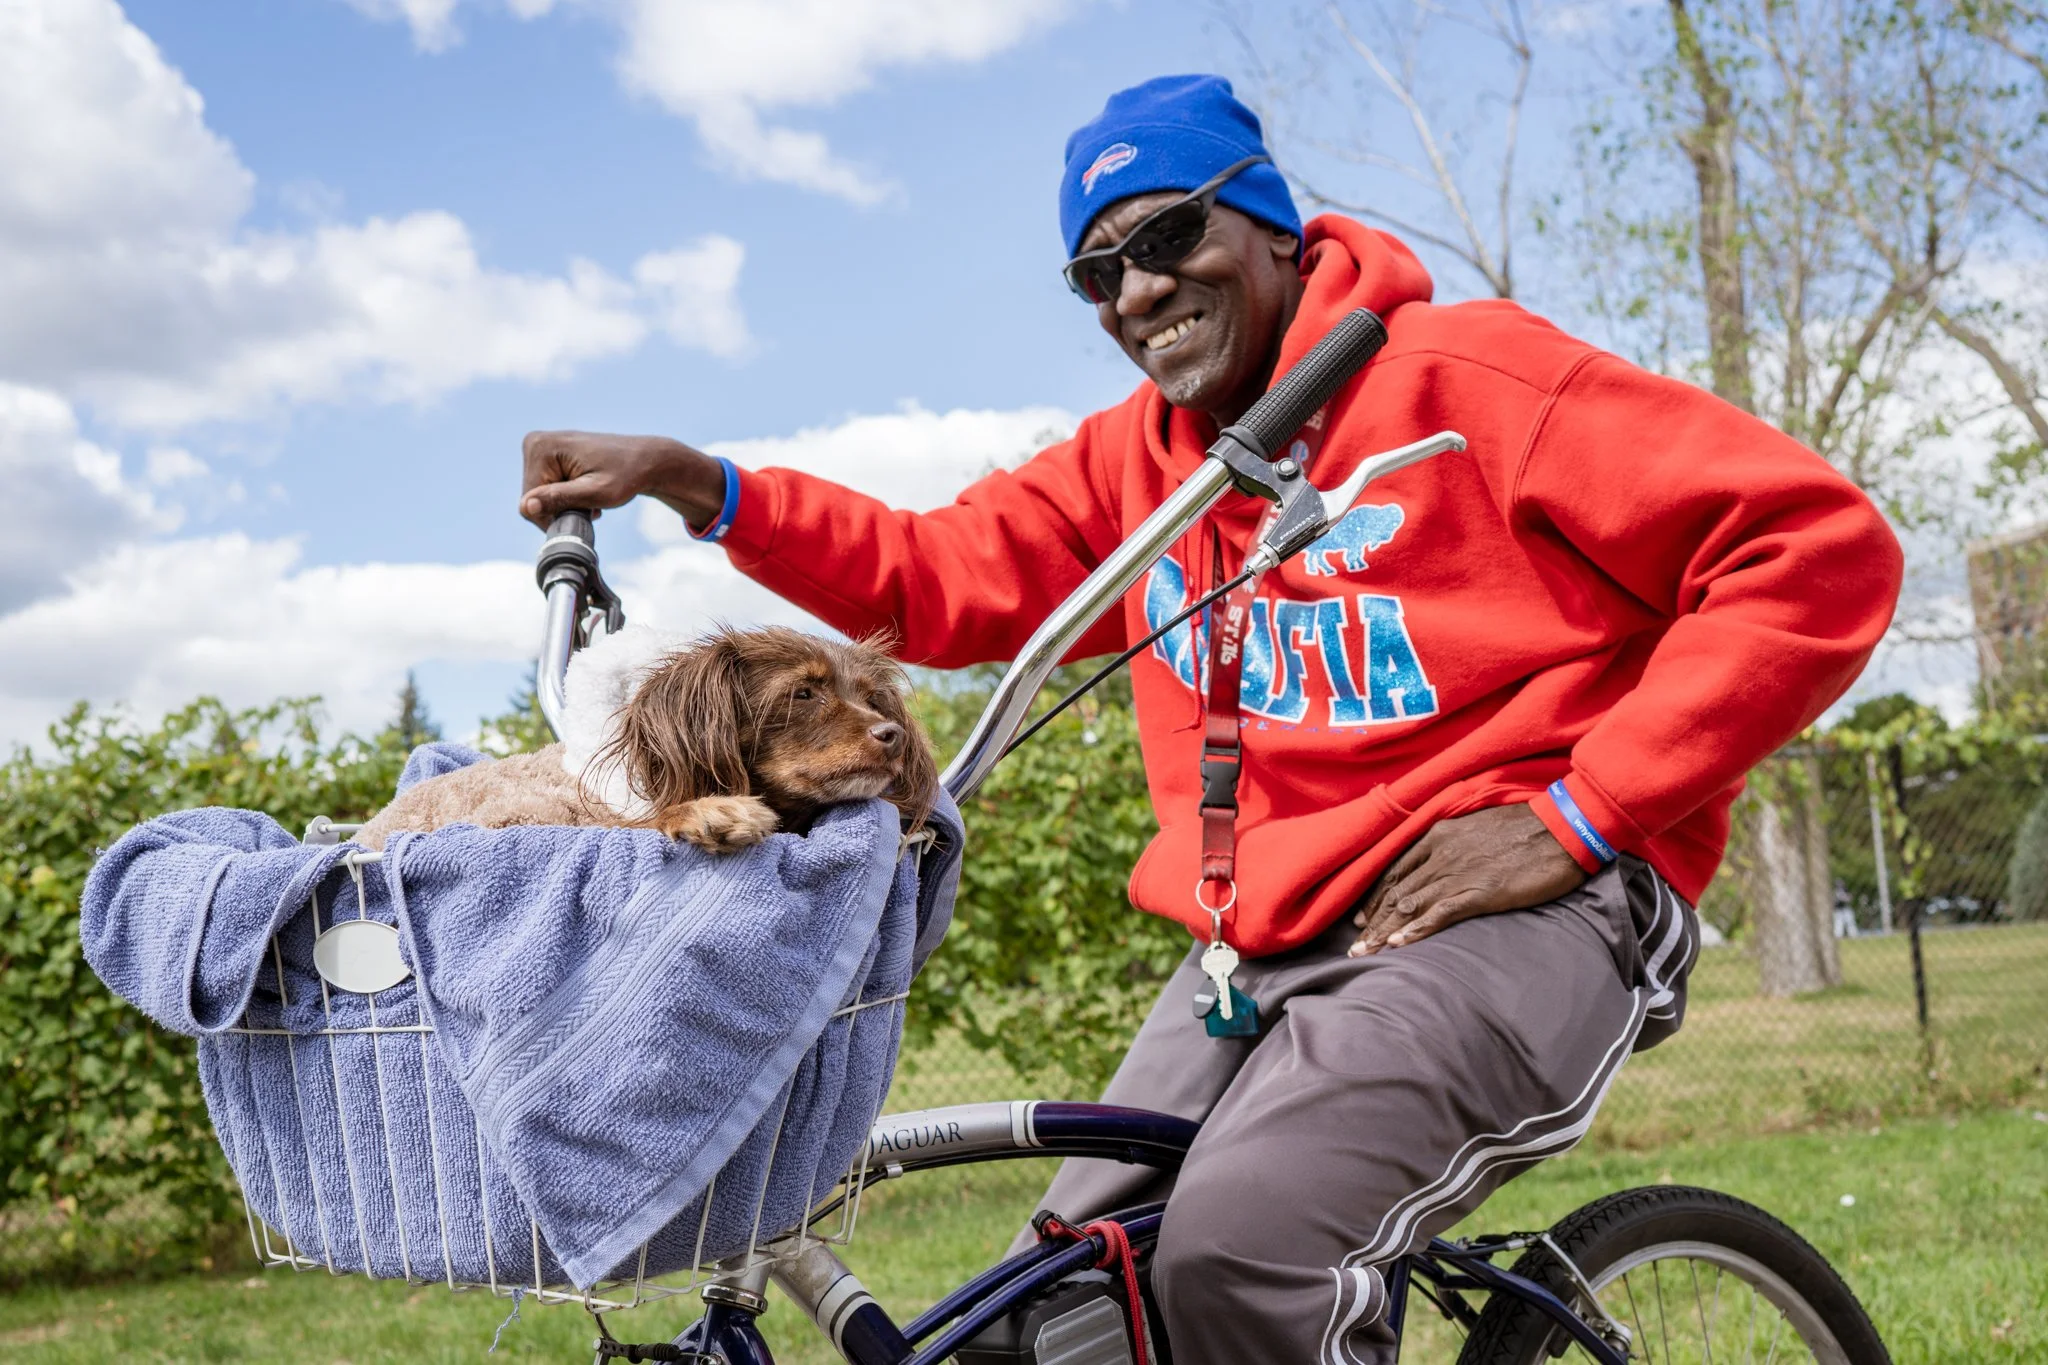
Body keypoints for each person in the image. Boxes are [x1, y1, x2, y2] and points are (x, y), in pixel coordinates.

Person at [520, 75, 1900, 1364]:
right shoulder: (1139, 466)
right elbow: (931, 577)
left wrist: (1577, 815)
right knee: (1054, 1314)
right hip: (1256, 947)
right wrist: (701, 484)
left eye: (1171, 233)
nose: (1140, 288)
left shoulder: (1468, 382)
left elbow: (1815, 550)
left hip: (1522, 905)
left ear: (1275, 224)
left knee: (1248, 1251)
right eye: (1098, 271)